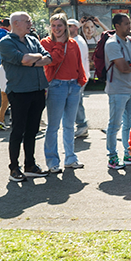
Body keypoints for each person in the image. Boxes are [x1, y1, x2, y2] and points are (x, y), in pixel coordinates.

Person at [0, 12, 53, 182]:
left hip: (37, 91)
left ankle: (30, 165)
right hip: (19, 92)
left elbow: (49, 58)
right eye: (27, 21)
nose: (31, 23)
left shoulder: (33, 40)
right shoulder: (6, 42)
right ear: (16, 23)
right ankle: (14, 168)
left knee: (32, 130)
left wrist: (31, 60)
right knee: (18, 131)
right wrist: (35, 58)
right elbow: (24, 59)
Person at [40, 13, 88, 172]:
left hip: (73, 86)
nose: (56, 29)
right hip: (56, 86)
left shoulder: (73, 43)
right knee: (53, 126)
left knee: (69, 125)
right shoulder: (45, 43)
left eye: (59, 25)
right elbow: (53, 60)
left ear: (66, 26)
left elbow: (79, 65)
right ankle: (52, 161)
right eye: (53, 26)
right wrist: (60, 44)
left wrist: (81, 81)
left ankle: (70, 158)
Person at [104, 13, 131, 169]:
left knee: (130, 124)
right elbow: (123, 67)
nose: (129, 26)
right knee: (114, 125)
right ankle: (112, 156)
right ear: (117, 26)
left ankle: (128, 154)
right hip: (117, 90)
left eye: (130, 23)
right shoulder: (112, 43)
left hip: (130, 88)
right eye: (126, 24)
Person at [68, 19, 90, 138]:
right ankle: (81, 125)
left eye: (70, 26)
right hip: (77, 76)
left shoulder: (78, 42)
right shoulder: (75, 40)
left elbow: (78, 62)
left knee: (75, 102)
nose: (67, 28)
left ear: (76, 28)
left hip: (78, 76)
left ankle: (82, 125)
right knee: (76, 101)